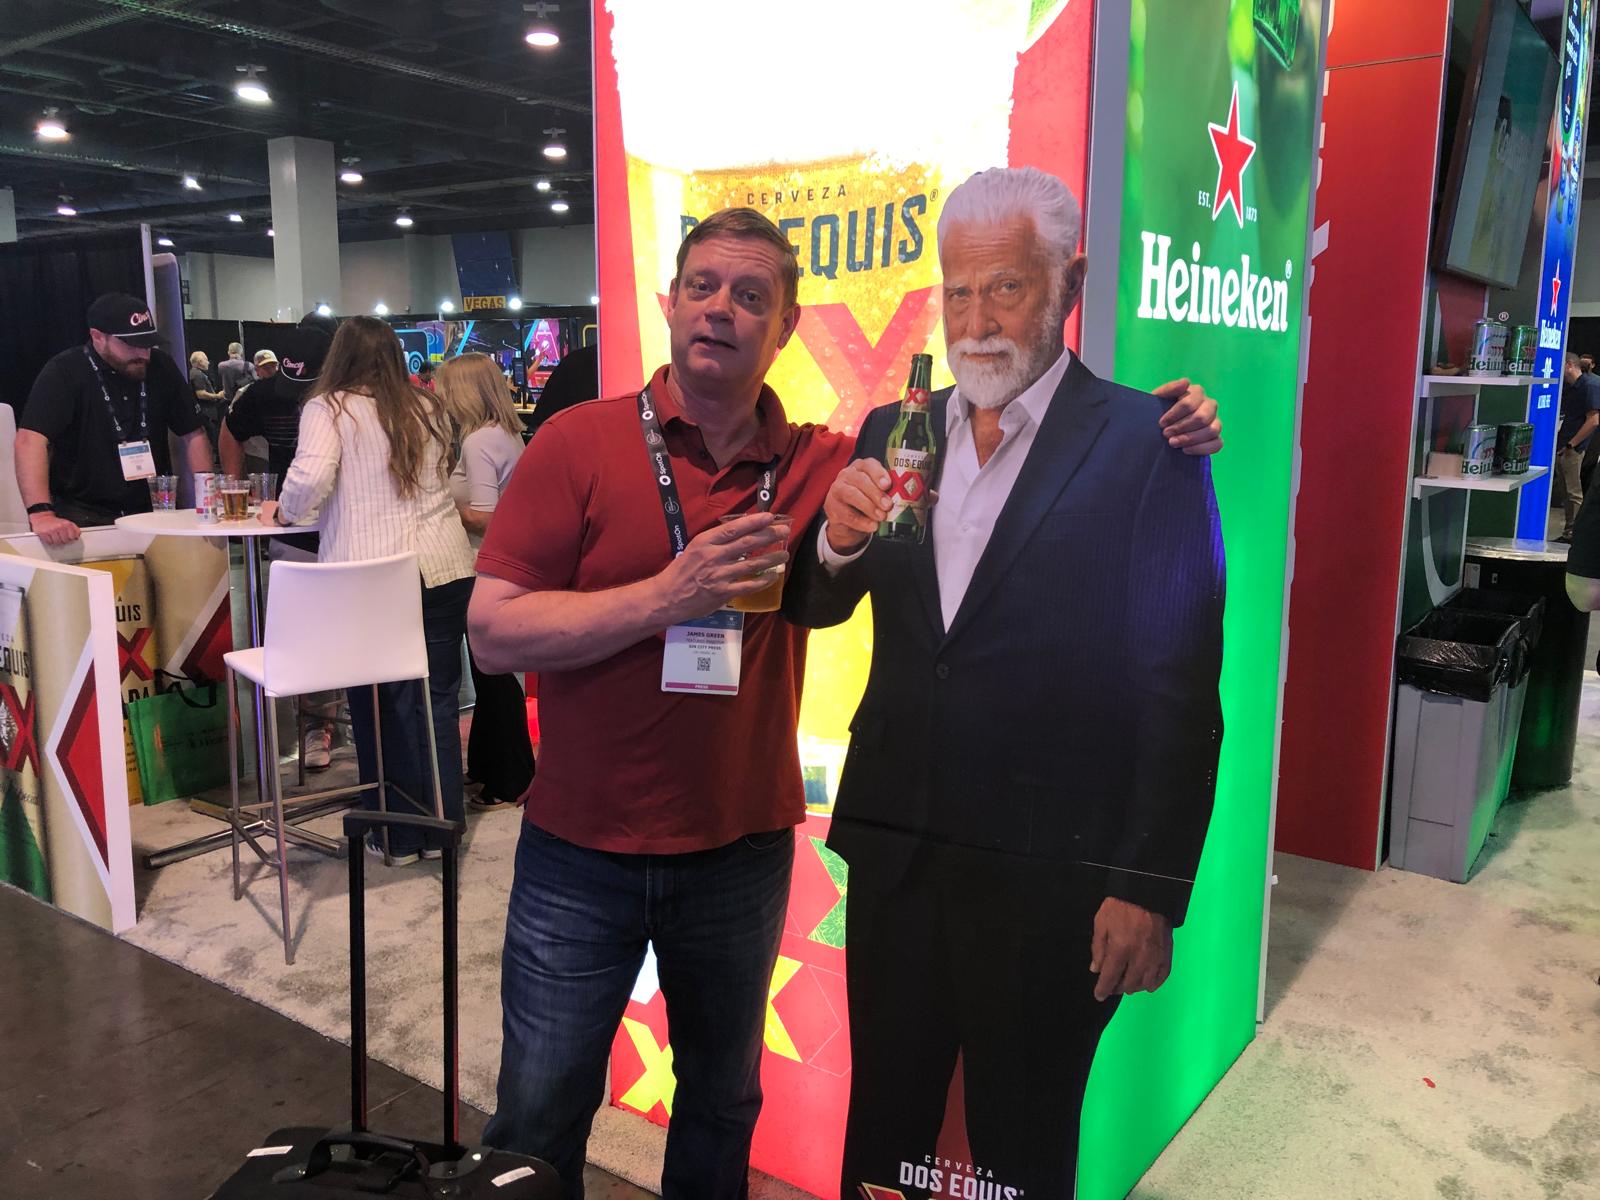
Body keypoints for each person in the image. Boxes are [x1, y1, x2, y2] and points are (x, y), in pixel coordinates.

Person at [467, 206, 1223, 1199]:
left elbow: (861, 571)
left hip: (738, 854)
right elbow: (491, 633)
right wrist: (666, 597)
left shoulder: (842, 453)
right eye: (702, 287)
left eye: (751, 296)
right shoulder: (577, 441)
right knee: (538, 1111)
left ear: (784, 328)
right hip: (581, 853)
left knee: (722, 1109)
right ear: (668, 303)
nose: (720, 310)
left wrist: (1174, 420)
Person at [785, 167, 1226, 1200]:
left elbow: (1179, 682)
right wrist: (836, 543)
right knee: (882, 1128)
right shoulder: (894, 430)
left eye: (1007, 288)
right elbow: (816, 603)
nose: (977, 321)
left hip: (1053, 877)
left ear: (1068, 283)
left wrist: (1147, 885)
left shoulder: (1148, 443)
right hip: (898, 854)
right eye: (958, 291)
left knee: (1020, 1148)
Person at [260, 316, 474, 863]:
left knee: (378, 706)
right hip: (446, 567)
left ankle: (397, 835)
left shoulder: (329, 407)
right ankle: (441, 832)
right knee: (435, 704)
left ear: (340, 355)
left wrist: (282, 512)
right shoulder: (427, 407)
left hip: (372, 578)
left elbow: (310, 480)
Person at [222, 324, 340, 770]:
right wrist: (234, 486)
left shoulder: (348, 399)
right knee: (304, 635)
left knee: (347, 632)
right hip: (292, 532)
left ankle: (351, 721)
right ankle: (317, 725)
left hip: (345, 529)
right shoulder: (264, 393)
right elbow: (231, 431)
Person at [15, 292, 210, 546]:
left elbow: (193, 433)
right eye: (131, 345)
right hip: (83, 518)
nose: (144, 354)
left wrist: (209, 498)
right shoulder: (65, 371)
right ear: (98, 337)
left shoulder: (161, 366)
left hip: (152, 513)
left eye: (147, 344)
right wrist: (41, 514)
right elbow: (30, 440)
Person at [435, 352, 535, 808]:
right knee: (493, 674)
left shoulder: (478, 441)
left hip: (481, 567)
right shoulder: (506, 434)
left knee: (493, 677)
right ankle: (490, 767)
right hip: (503, 567)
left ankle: (509, 777)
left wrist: (438, 508)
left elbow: (485, 516)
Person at [1553, 350, 1600, 542]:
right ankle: (1570, 531)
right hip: (1565, 445)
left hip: (1573, 447)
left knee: (1573, 492)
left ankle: (1575, 534)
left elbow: (1594, 420)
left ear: (1568, 365)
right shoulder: (1574, 387)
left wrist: (1572, 444)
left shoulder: (1590, 385)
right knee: (1566, 491)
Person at [189, 350, 225, 457]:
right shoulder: (198, 375)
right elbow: (201, 394)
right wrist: (217, 396)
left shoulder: (194, 373)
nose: (208, 362)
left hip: (205, 413)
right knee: (211, 441)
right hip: (206, 413)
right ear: (200, 362)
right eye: (206, 360)